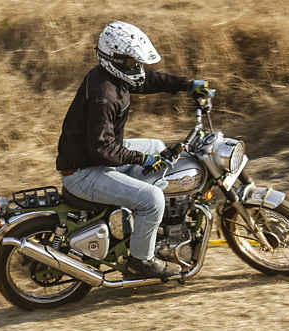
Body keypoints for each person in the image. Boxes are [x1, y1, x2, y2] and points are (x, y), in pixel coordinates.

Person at [56, 21, 214, 279]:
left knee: (157, 146)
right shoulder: (103, 96)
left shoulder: (111, 75)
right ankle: (141, 261)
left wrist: (186, 85)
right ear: (114, 59)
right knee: (152, 199)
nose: (137, 68)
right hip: (83, 172)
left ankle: (141, 225)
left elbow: (147, 80)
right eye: (132, 63)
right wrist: (143, 160)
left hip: (94, 157)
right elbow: (101, 149)